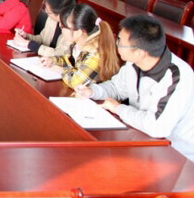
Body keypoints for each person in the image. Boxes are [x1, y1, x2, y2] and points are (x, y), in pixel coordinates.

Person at [74, 14, 194, 160]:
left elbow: (157, 127)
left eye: (119, 41)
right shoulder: (133, 63)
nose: (116, 44)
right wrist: (92, 91)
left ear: (139, 52)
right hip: (141, 137)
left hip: (176, 155)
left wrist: (118, 108)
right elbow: (116, 88)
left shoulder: (177, 77)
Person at [47, 3, 120, 89]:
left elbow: (76, 83)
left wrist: (63, 70)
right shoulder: (77, 44)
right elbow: (68, 60)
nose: (60, 27)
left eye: (63, 26)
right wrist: (52, 60)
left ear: (79, 32)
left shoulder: (95, 55)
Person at [11, 0, 75, 57]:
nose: (46, 11)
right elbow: (42, 39)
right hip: (43, 59)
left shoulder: (71, 29)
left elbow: (59, 54)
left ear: (60, 14)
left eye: (48, 12)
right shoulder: (52, 20)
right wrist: (27, 36)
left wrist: (28, 44)